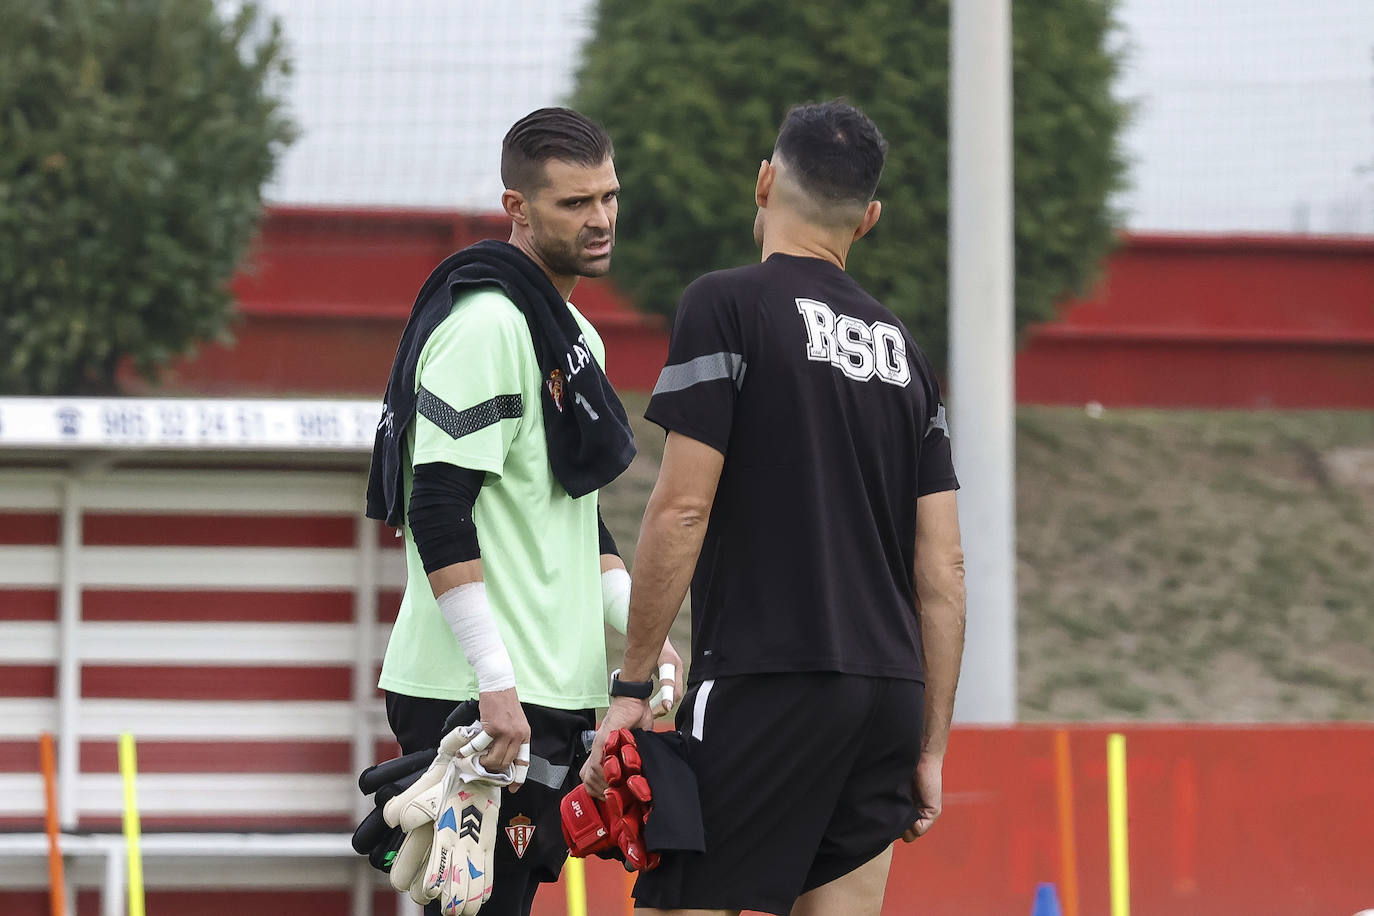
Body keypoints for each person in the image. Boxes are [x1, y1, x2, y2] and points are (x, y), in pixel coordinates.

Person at [582, 99, 967, 916]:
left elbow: (682, 509)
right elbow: (943, 569)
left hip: (768, 678)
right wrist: (930, 746)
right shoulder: (907, 355)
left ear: (764, 182)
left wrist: (633, 683)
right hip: (890, 696)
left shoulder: (727, 305)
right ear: (868, 219)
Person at [365, 106, 681, 916]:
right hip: (477, 696)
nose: (602, 218)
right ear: (518, 209)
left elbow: (578, 523)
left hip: (543, 692)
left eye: (609, 196)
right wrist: (494, 685)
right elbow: (437, 508)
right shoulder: (486, 328)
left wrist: (645, 639)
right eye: (575, 204)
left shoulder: (572, 336)